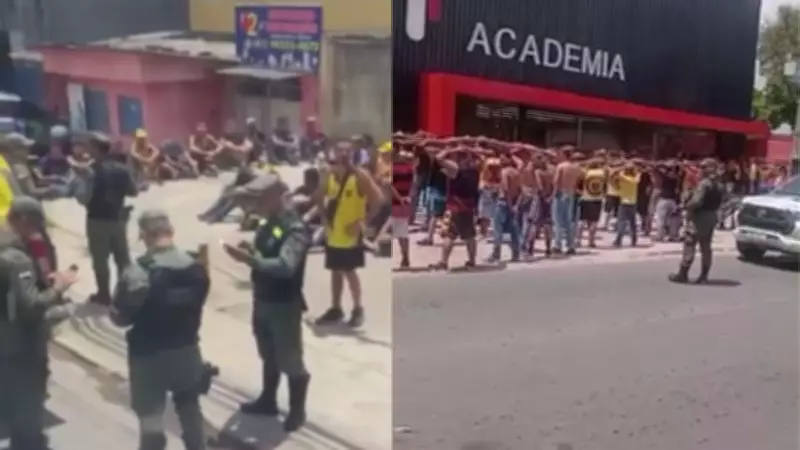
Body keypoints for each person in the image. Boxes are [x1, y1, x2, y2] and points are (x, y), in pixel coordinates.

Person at [109, 209, 210, 450]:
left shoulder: (139, 272)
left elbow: (121, 317)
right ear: (171, 232)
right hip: (186, 350)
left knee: (151, 418)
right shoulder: (196, 268)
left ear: (143, 235)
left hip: (149, 357)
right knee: (189, 406)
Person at [223, 173, 311, 432]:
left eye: (259, 199)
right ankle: (268, 400)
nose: (255, 205)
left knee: (290, 358)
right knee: (268, 354)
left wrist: (250, 260)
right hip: (263, 299)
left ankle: (297, 411)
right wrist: (254, 252)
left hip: (284, 304)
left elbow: (285, 265)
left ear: (274, 198)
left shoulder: (294, 229)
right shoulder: (272, 224)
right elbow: (270, 248)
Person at [0, 198, 78, 450]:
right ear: (22, 219)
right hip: (21, 345)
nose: (37, 228)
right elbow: (31, 306)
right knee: (28, 410)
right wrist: (59, 287)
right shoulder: (17, 258)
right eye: (34, 222)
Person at [314, 141, 383, 327]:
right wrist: (323, 218)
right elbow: (318, 196)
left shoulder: (360, 176)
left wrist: (361, 224)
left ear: (353, 154)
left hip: (351, 235)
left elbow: (378, 200)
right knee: (335, 270)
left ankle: (358, 309)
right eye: (339, 150)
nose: (343, 154)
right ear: (334, 153)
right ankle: (336, 308)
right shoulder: (329, 175)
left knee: (349, 271)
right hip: (334, 232)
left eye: (347, 151)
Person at [85, 132, 138, 305]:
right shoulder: (122, 169)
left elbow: (84, 194)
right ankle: (126, 294)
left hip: (97, 219)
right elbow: (133, 191)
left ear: (96, 149)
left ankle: (104, 295)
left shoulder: (93, 169)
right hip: (118, 219)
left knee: (100, 260)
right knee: (122, 258)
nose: (87, 149)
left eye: (89, 146)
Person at [669, 158, 725, 284]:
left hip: (699, 217)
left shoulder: (704, 184)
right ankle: (704, 276)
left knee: (690, 243)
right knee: (706, 247)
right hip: (712, 216)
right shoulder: (720, 184)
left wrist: (686, 205)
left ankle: (683, 274)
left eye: (704, 167)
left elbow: (697, 201)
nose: (701, 169)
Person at [610, 161, 641, 247]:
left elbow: (612, 175)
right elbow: (638, 173)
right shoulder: (635, 179)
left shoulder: (622, 177)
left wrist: (621, 167)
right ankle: (634, 240)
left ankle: (619, 240)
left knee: (622, 222)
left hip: (623, 202)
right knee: (632, 223)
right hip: (633, 202)